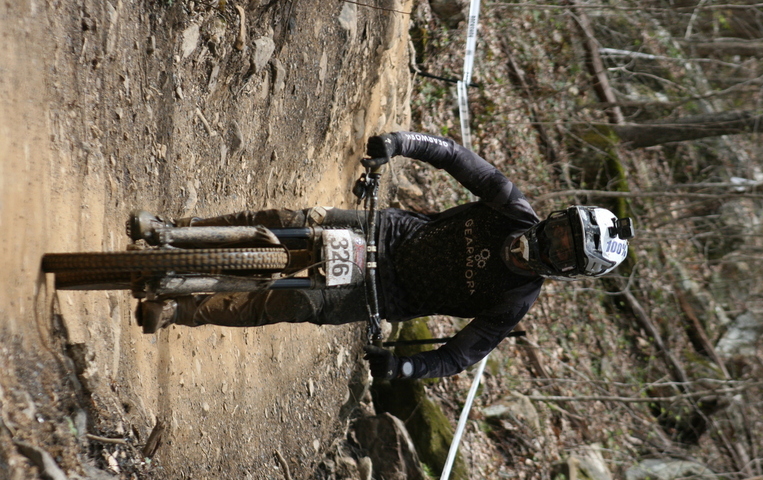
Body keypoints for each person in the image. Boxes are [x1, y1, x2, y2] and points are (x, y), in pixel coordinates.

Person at [130, 131, 634, 379]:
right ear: (560, 216)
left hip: (380, 294)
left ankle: (183, 310)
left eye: (567, 251)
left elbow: (461, 355)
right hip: (383, 233)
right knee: (288, 221)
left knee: (287, 305)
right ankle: (177, 231)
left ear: (568, 272)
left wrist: (403, 369)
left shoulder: (514, 302)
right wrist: (399, 144)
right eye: (566, 230)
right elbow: (459, 159)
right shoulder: (510, 205)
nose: (556, 242)